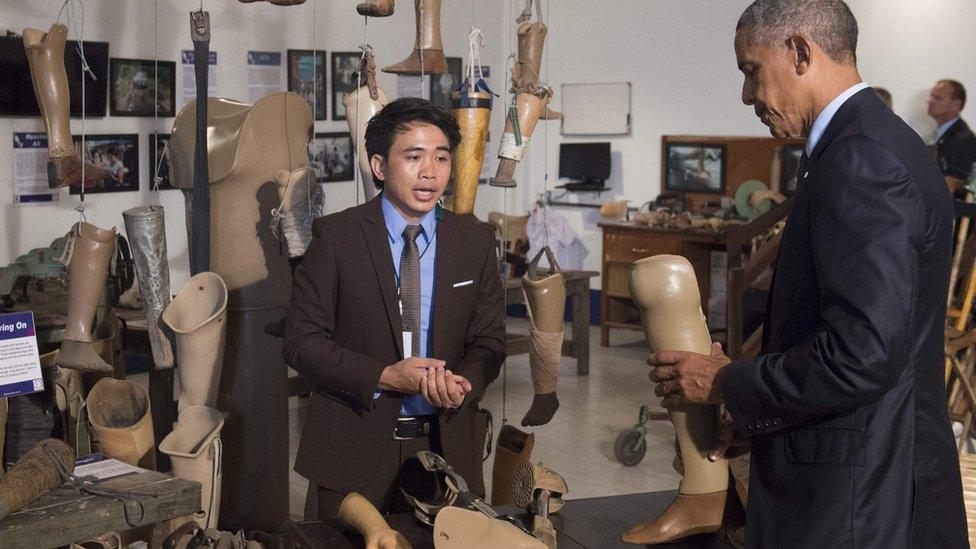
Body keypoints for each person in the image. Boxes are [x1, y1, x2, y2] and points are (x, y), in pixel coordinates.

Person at [648, 1, 968, 547]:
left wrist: (727, 382)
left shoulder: (862, 158)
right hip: (874, 476)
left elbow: (861, 355)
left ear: (799, 51)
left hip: (860, 501)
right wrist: (757, 410)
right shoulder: (875, 142)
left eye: (750, 71)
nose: (747, 95)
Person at [283, 97, 505, 519]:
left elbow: (489, 342)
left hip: (447, 443)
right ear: (380, 166)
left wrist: (464, 383)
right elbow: (301, 343)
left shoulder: (474, 241)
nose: (430, 172)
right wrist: (385, 376)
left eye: (441, 157)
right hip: (354, 443)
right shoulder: (337, 237)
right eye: (414, 156)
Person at [928, 79, 976, 181]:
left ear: (956, 105)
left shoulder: (965, 139)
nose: (930, 101)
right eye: (931, 96)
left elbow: (959, 181)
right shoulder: (936, 133)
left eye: (938, 98)